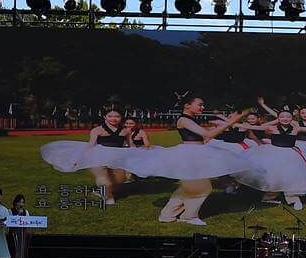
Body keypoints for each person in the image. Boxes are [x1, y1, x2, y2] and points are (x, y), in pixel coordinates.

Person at [130, 96, 247, 226]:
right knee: (203, 188)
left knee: (188, 188)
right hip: (190, 154)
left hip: (196, 152)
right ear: (187, 106)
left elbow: (204, 135)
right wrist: (232, 121)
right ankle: (188, 216)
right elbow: (207, 134)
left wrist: (226, 123)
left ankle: (167, 215)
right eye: (199, 105)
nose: (202, 107)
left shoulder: (190, 119)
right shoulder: (184, 119)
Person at [39, 106, 140, 207]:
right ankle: (109, 198)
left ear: (121, 117)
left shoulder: (126, 131)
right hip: (98, 157)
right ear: (105, 117)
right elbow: (90, 145)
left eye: (117, 116)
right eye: (110, 116)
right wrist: (79, 159)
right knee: (103, 178)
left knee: (119, 182)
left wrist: (141, 154)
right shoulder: (97, 130)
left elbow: (131, 144)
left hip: (117, 157)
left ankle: (102, 192)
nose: (113, 118)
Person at [8, 194, 32, 258]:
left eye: (22, 202)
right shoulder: (10, 211)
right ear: (15, 203)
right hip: (14, 236)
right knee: (14, 254)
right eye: (19, 202)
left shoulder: (26, 212)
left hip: (23, 236)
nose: (21, 204)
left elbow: (29, 222)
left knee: (22, 254)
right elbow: (10, 221)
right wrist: (18, 214)